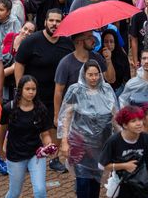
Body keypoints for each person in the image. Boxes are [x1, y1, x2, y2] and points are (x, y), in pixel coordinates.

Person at [57, 61, 118, 198]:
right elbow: (66, 116)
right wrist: (64, 141)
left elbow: (115, 115)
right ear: (84, 74)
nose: (94, 78)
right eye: (90, 75)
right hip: (80, 144)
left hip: (101, 143)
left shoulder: (106, 89)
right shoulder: (75, 90)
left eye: (96, 74)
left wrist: (121, 136)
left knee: (96, 180)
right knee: (83, 181)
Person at [0, 75, 54, 198]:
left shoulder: (41, 109)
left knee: (40, 190)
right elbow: (2, 130)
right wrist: (0, 149)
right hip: (15, 155)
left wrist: (48, 144)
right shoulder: (9, 108)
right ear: (20, 90)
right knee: (15, 192)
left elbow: (45, 134)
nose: (31, 92)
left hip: (36, 154)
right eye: (27, 89)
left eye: (33, 89)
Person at [99, 105, 148, 198]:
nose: (139, 123)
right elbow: (101, 165)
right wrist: (124, 166)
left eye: (140, 120)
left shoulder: (146, 138)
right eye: (133, 121)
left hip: (142, 185)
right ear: (125, 125)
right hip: (122, 187)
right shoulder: (114, 141)